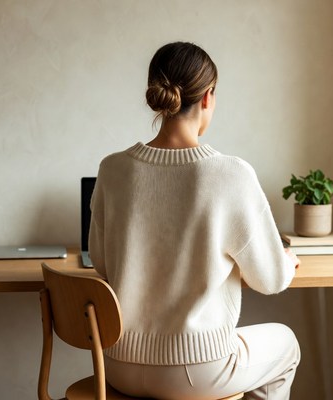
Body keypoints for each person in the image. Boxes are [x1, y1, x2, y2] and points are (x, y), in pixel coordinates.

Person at [89, 41, 301, 400]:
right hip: (197, 371)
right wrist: (287, 264)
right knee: (287, 345)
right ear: (207, 97)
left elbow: (103, 262)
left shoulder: (112, 169)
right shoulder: (230, 173)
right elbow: (271, 279)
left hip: (116, 366)